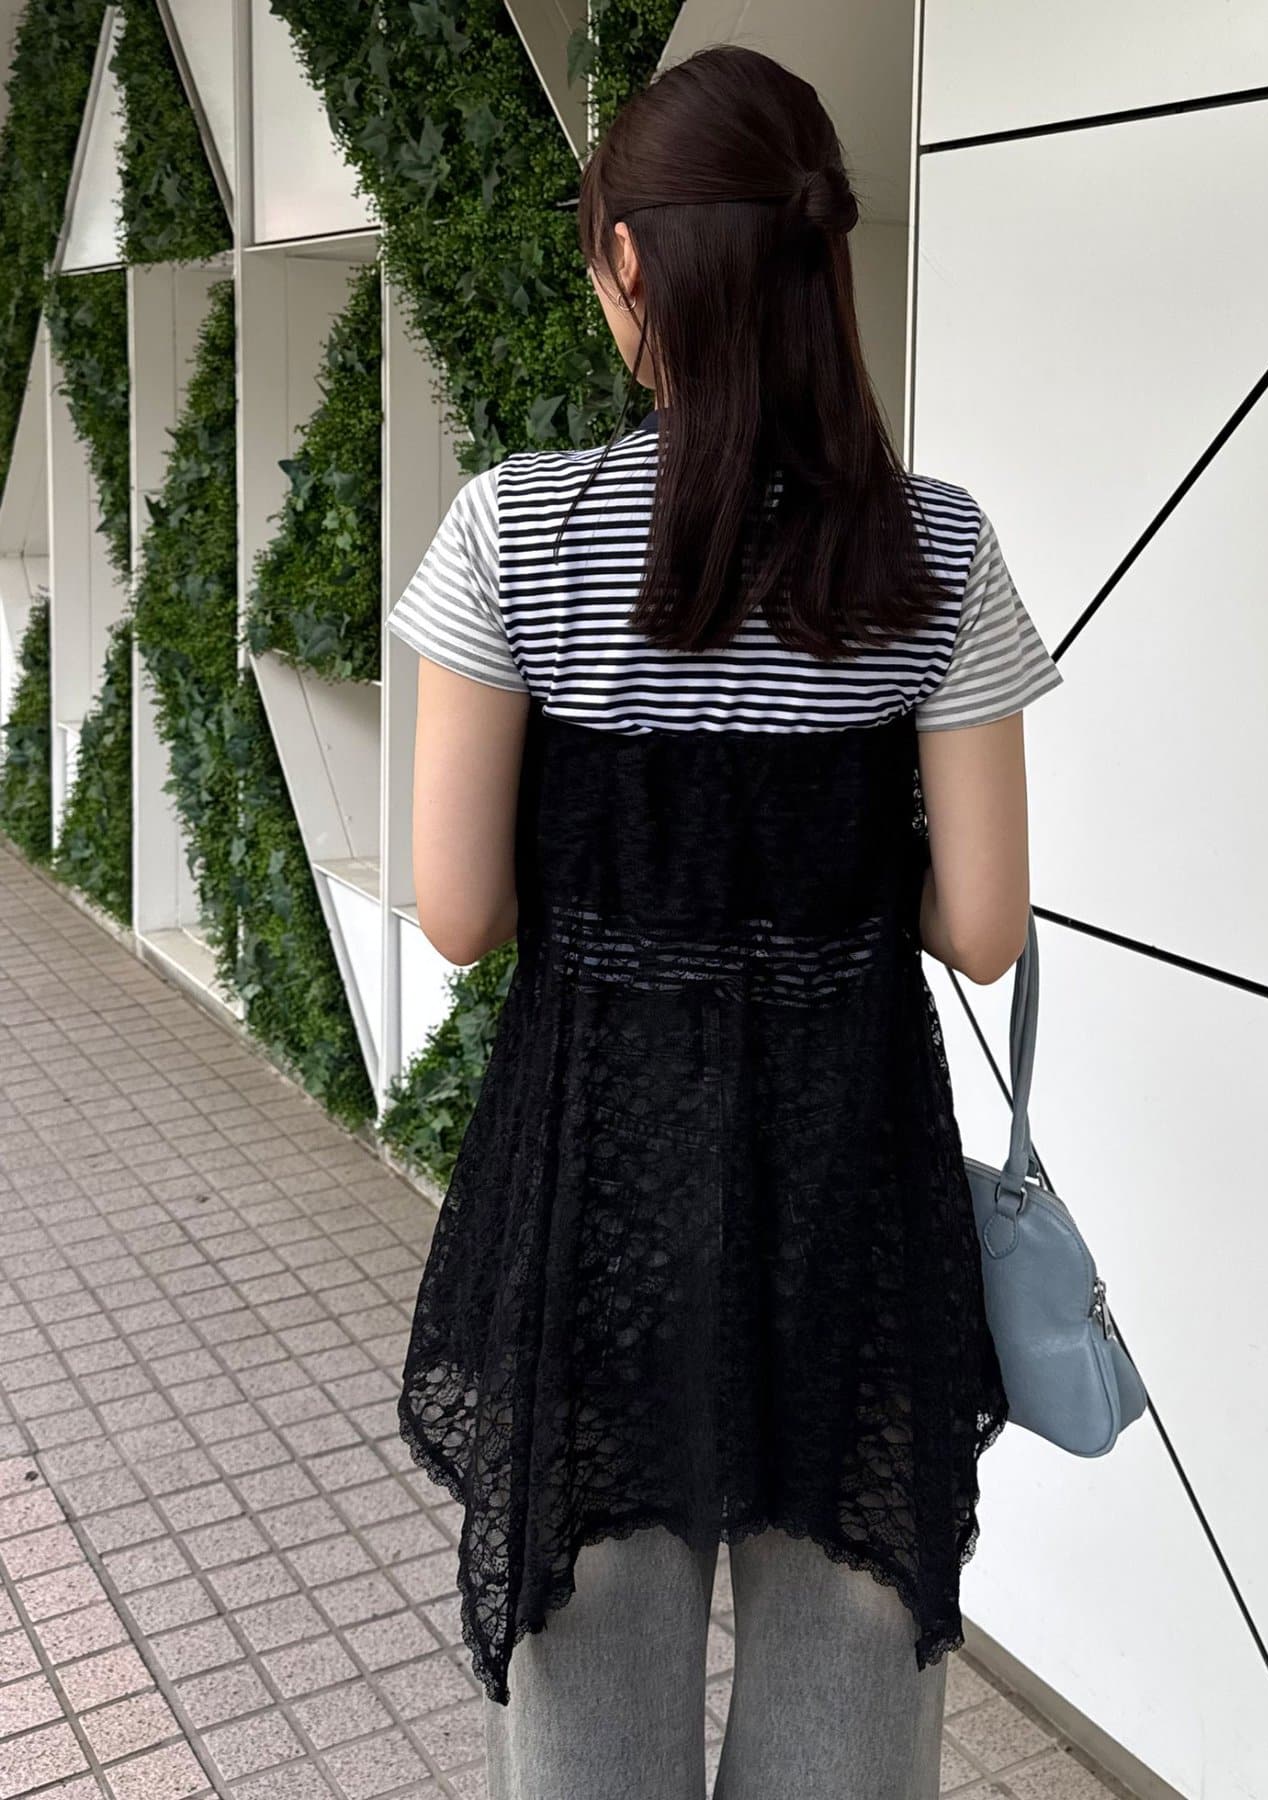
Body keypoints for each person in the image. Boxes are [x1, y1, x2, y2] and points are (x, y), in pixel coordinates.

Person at [385, 40, 1063, 1800]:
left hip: (600, 1186)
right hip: (849, 1188)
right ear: (820, 255)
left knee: (589, 1707)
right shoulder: (935, 551)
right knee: (847, 1687)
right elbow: (986, 926)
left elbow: (457, 914)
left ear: (633, 261)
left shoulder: (513, 531)